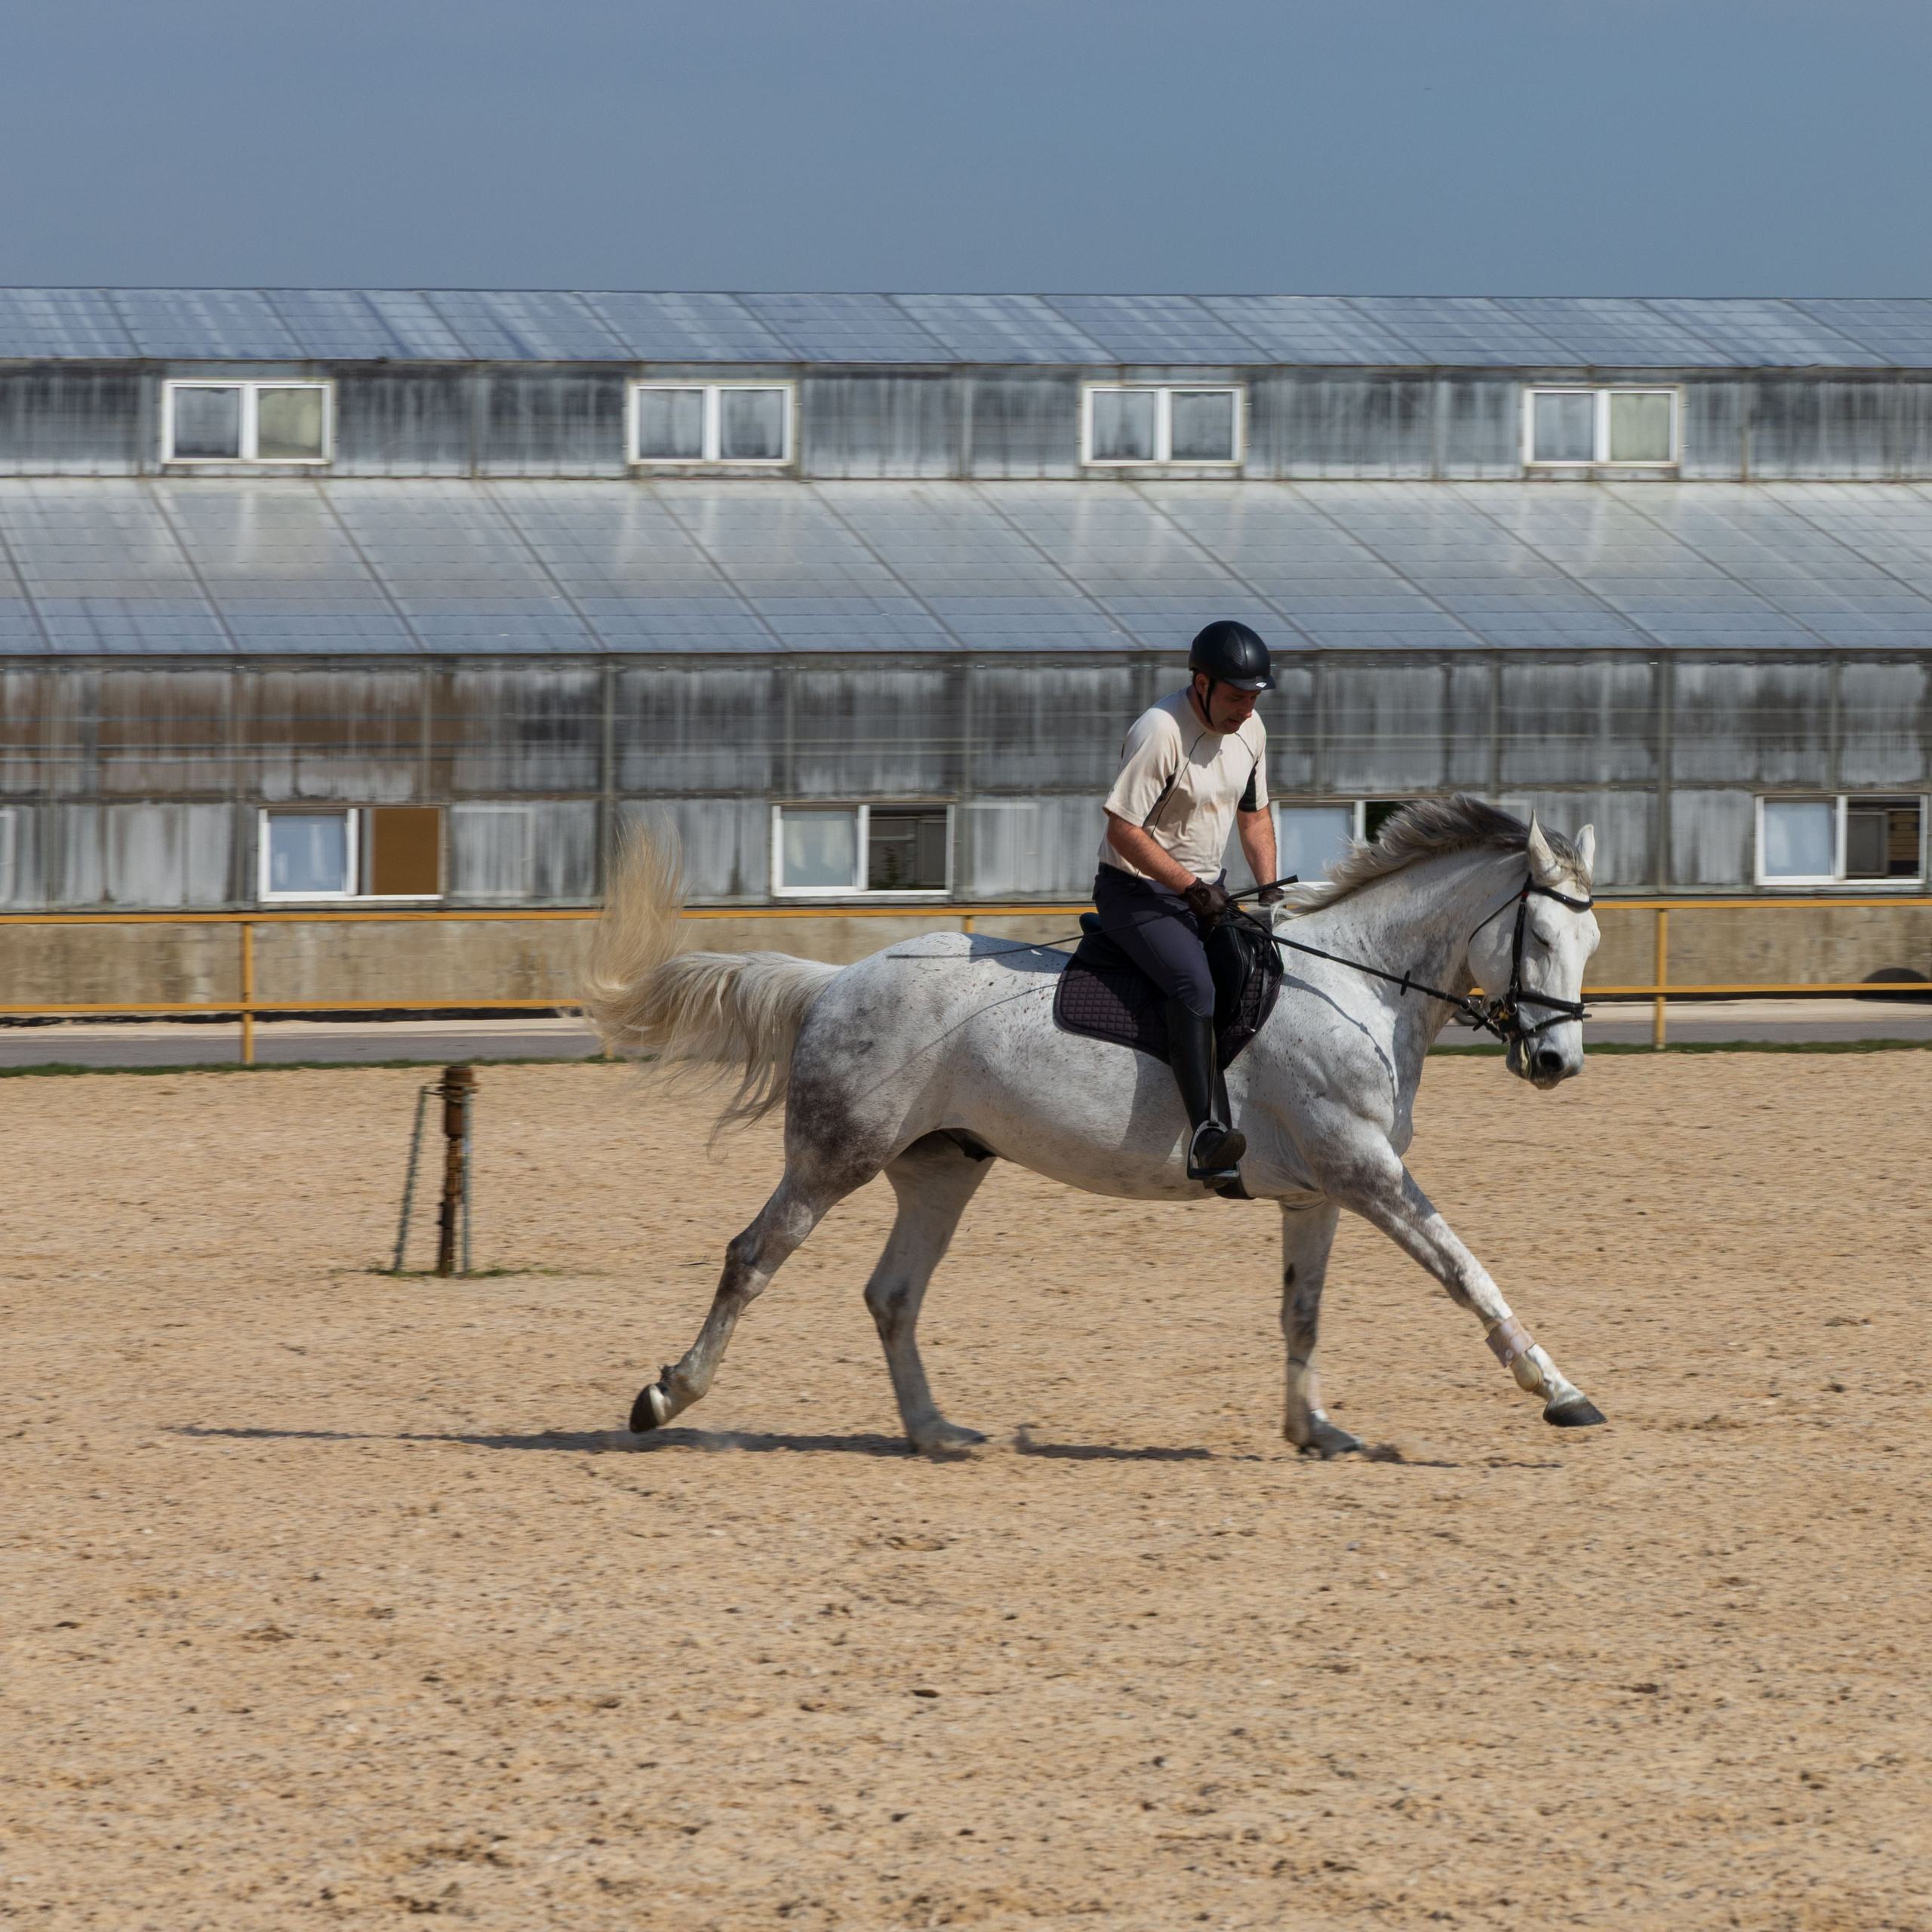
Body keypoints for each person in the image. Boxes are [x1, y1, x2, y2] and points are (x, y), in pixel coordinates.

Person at [1095, 620, 1281, 1185]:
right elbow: (1124, 829)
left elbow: (1255, 815)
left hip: (1207, 891)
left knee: (1256, 970)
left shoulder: (1252, 732)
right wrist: (1192, 889)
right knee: (1193, 985)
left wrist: (1270, 896)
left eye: (1253, 697)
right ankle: (1205, 1135)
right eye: (1233, 696)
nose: (1245, 709)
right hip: (1136, 891)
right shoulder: (1160, 731)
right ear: (1199, 683)